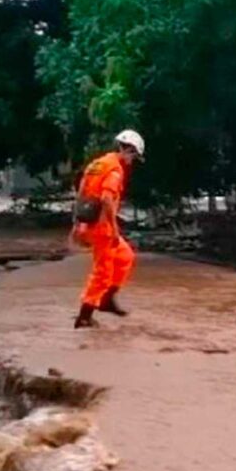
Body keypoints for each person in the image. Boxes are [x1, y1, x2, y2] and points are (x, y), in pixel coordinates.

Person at [72, 130, 145, 329]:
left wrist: (77, 224)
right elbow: (106, 199)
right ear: (128, 149)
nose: (134, 160)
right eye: (134, 156)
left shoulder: (96, 164)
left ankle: (106, 299)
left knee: (125, 256)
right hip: (102, 227)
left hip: (90, 222)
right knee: (103, 271)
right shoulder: (114, 170)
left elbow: (80, 193)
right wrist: (114, 228)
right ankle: (85, 315)